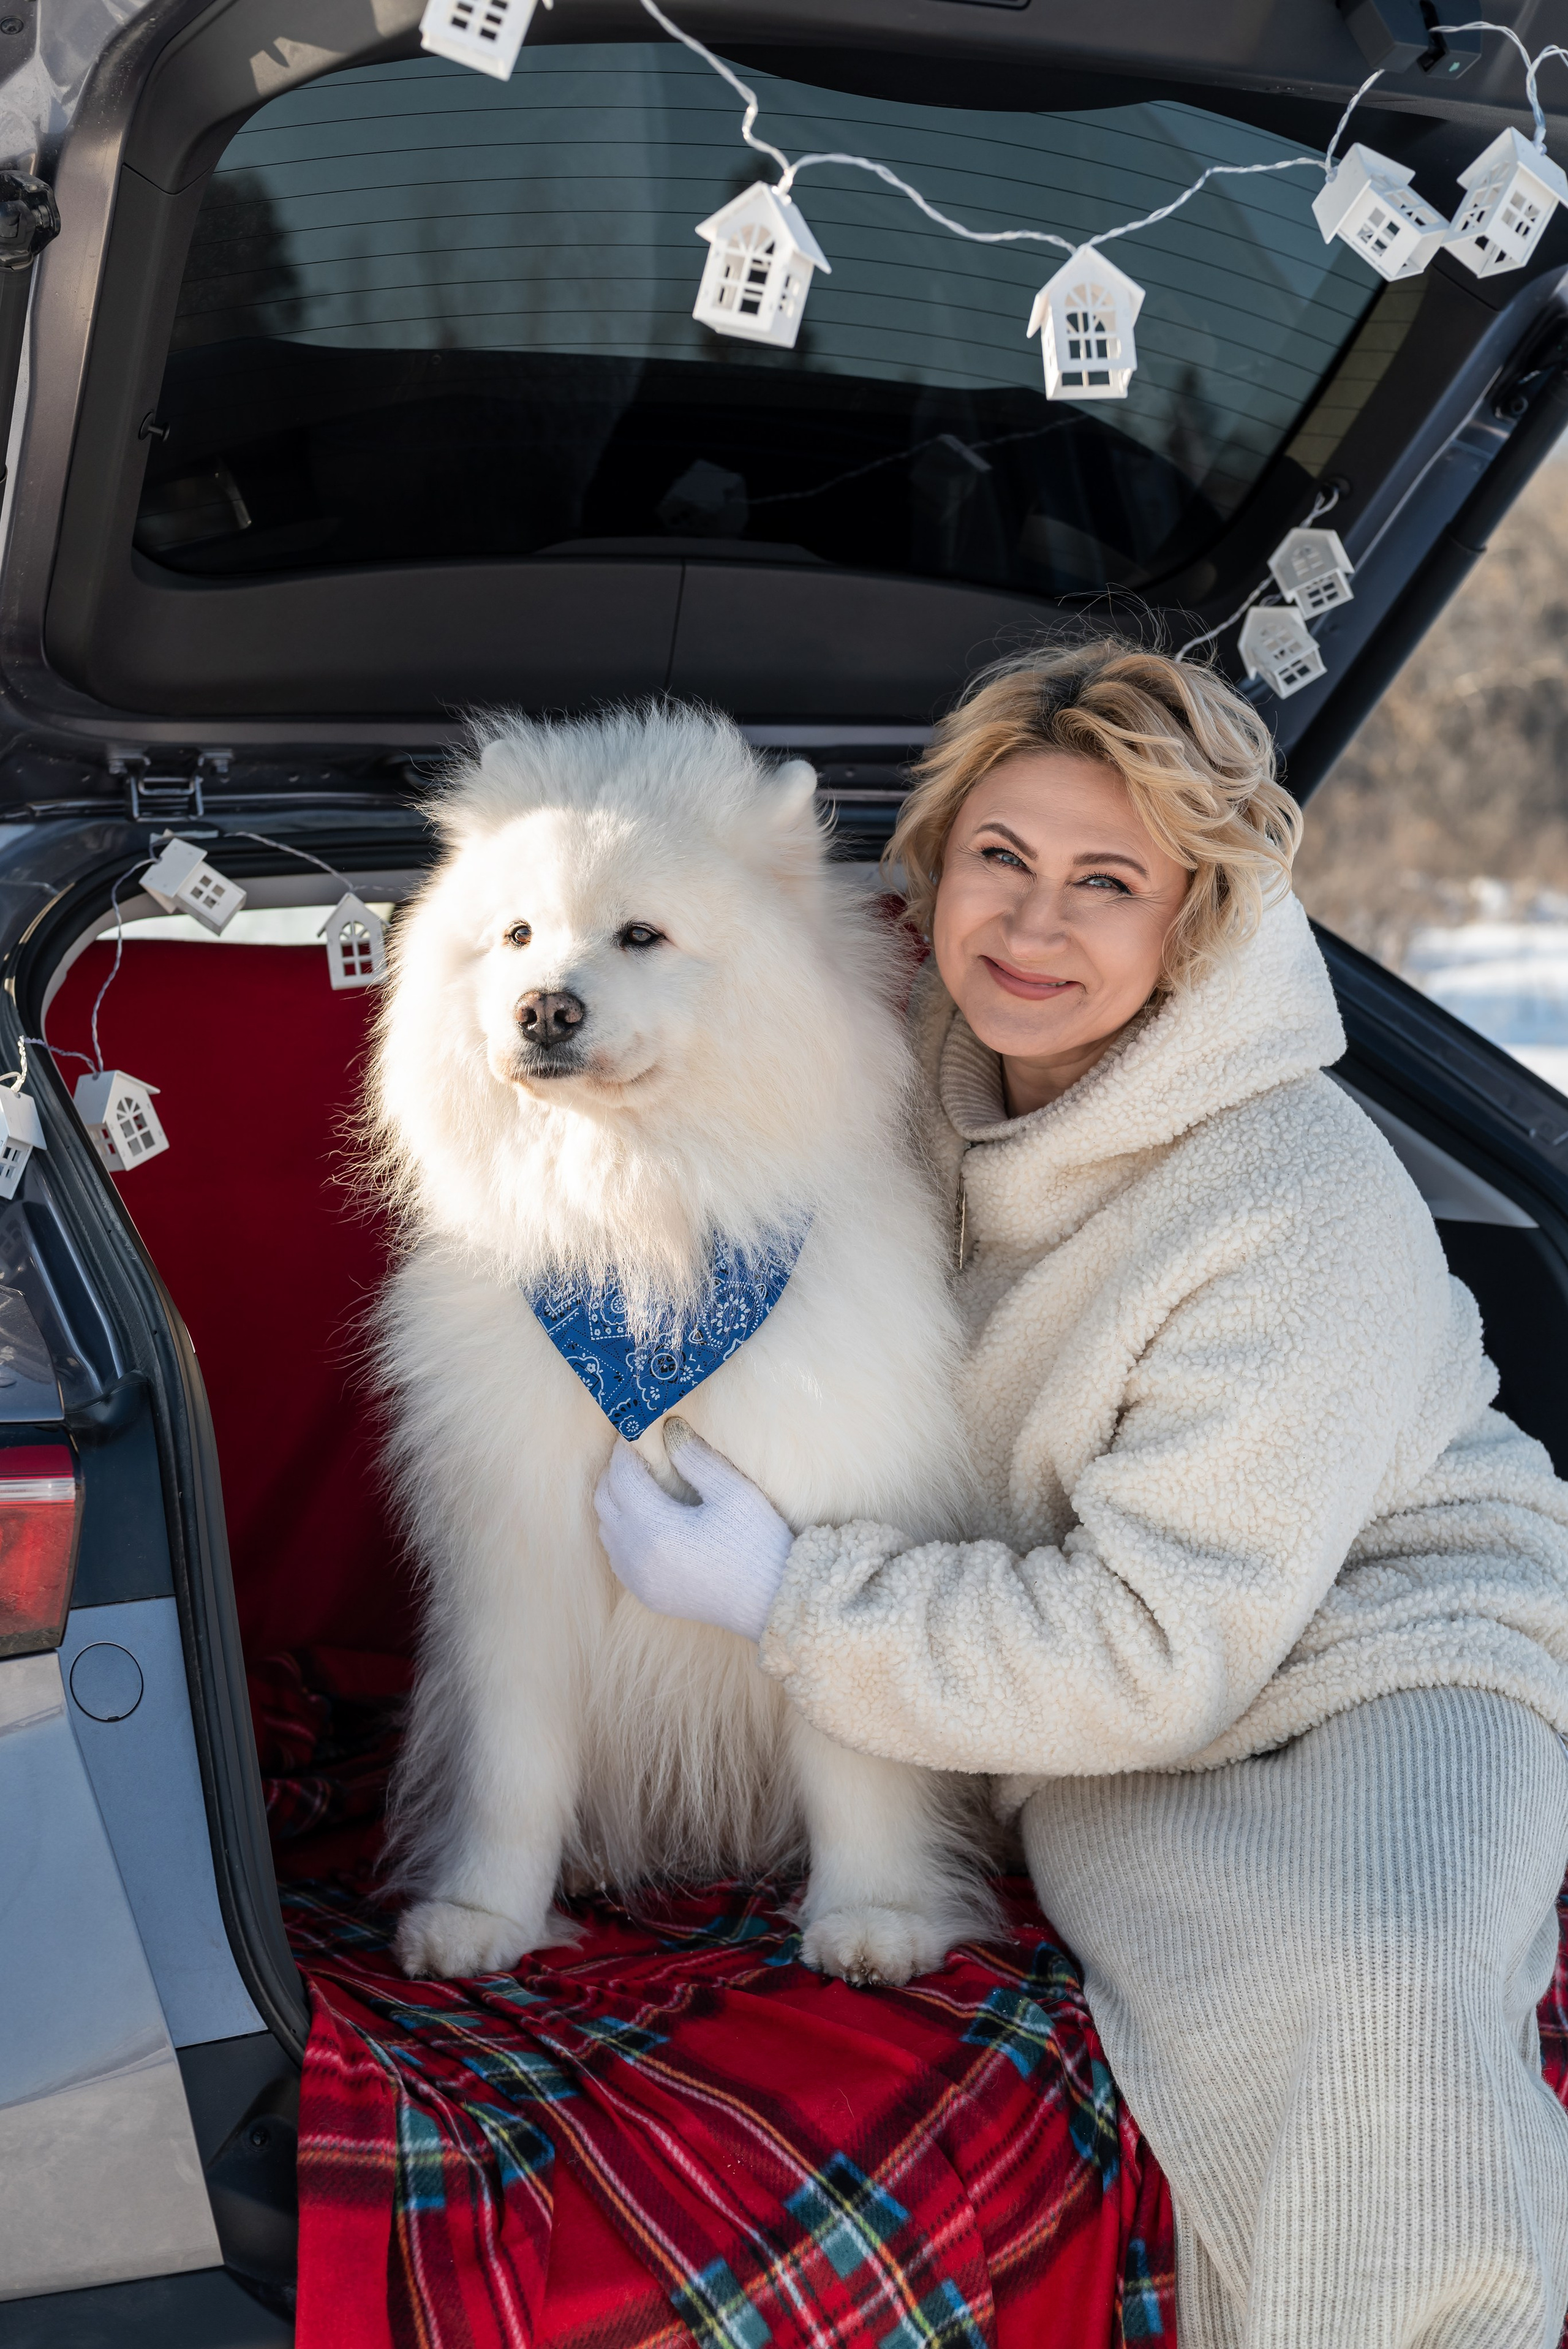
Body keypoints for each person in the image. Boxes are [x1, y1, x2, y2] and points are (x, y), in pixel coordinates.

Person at [593, 638, 1568, 2349]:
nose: (1035, 927)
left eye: (1105, 883)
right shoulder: (890, 1086)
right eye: (1002, 859)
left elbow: (1151, 1649)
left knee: (1380, 1979)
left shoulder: (1289, 1191)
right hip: (1095, 1702)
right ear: (938, 862)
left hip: (1390, 1649)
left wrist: (789, 1595)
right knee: (1220, 1996)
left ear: (1191, 920)